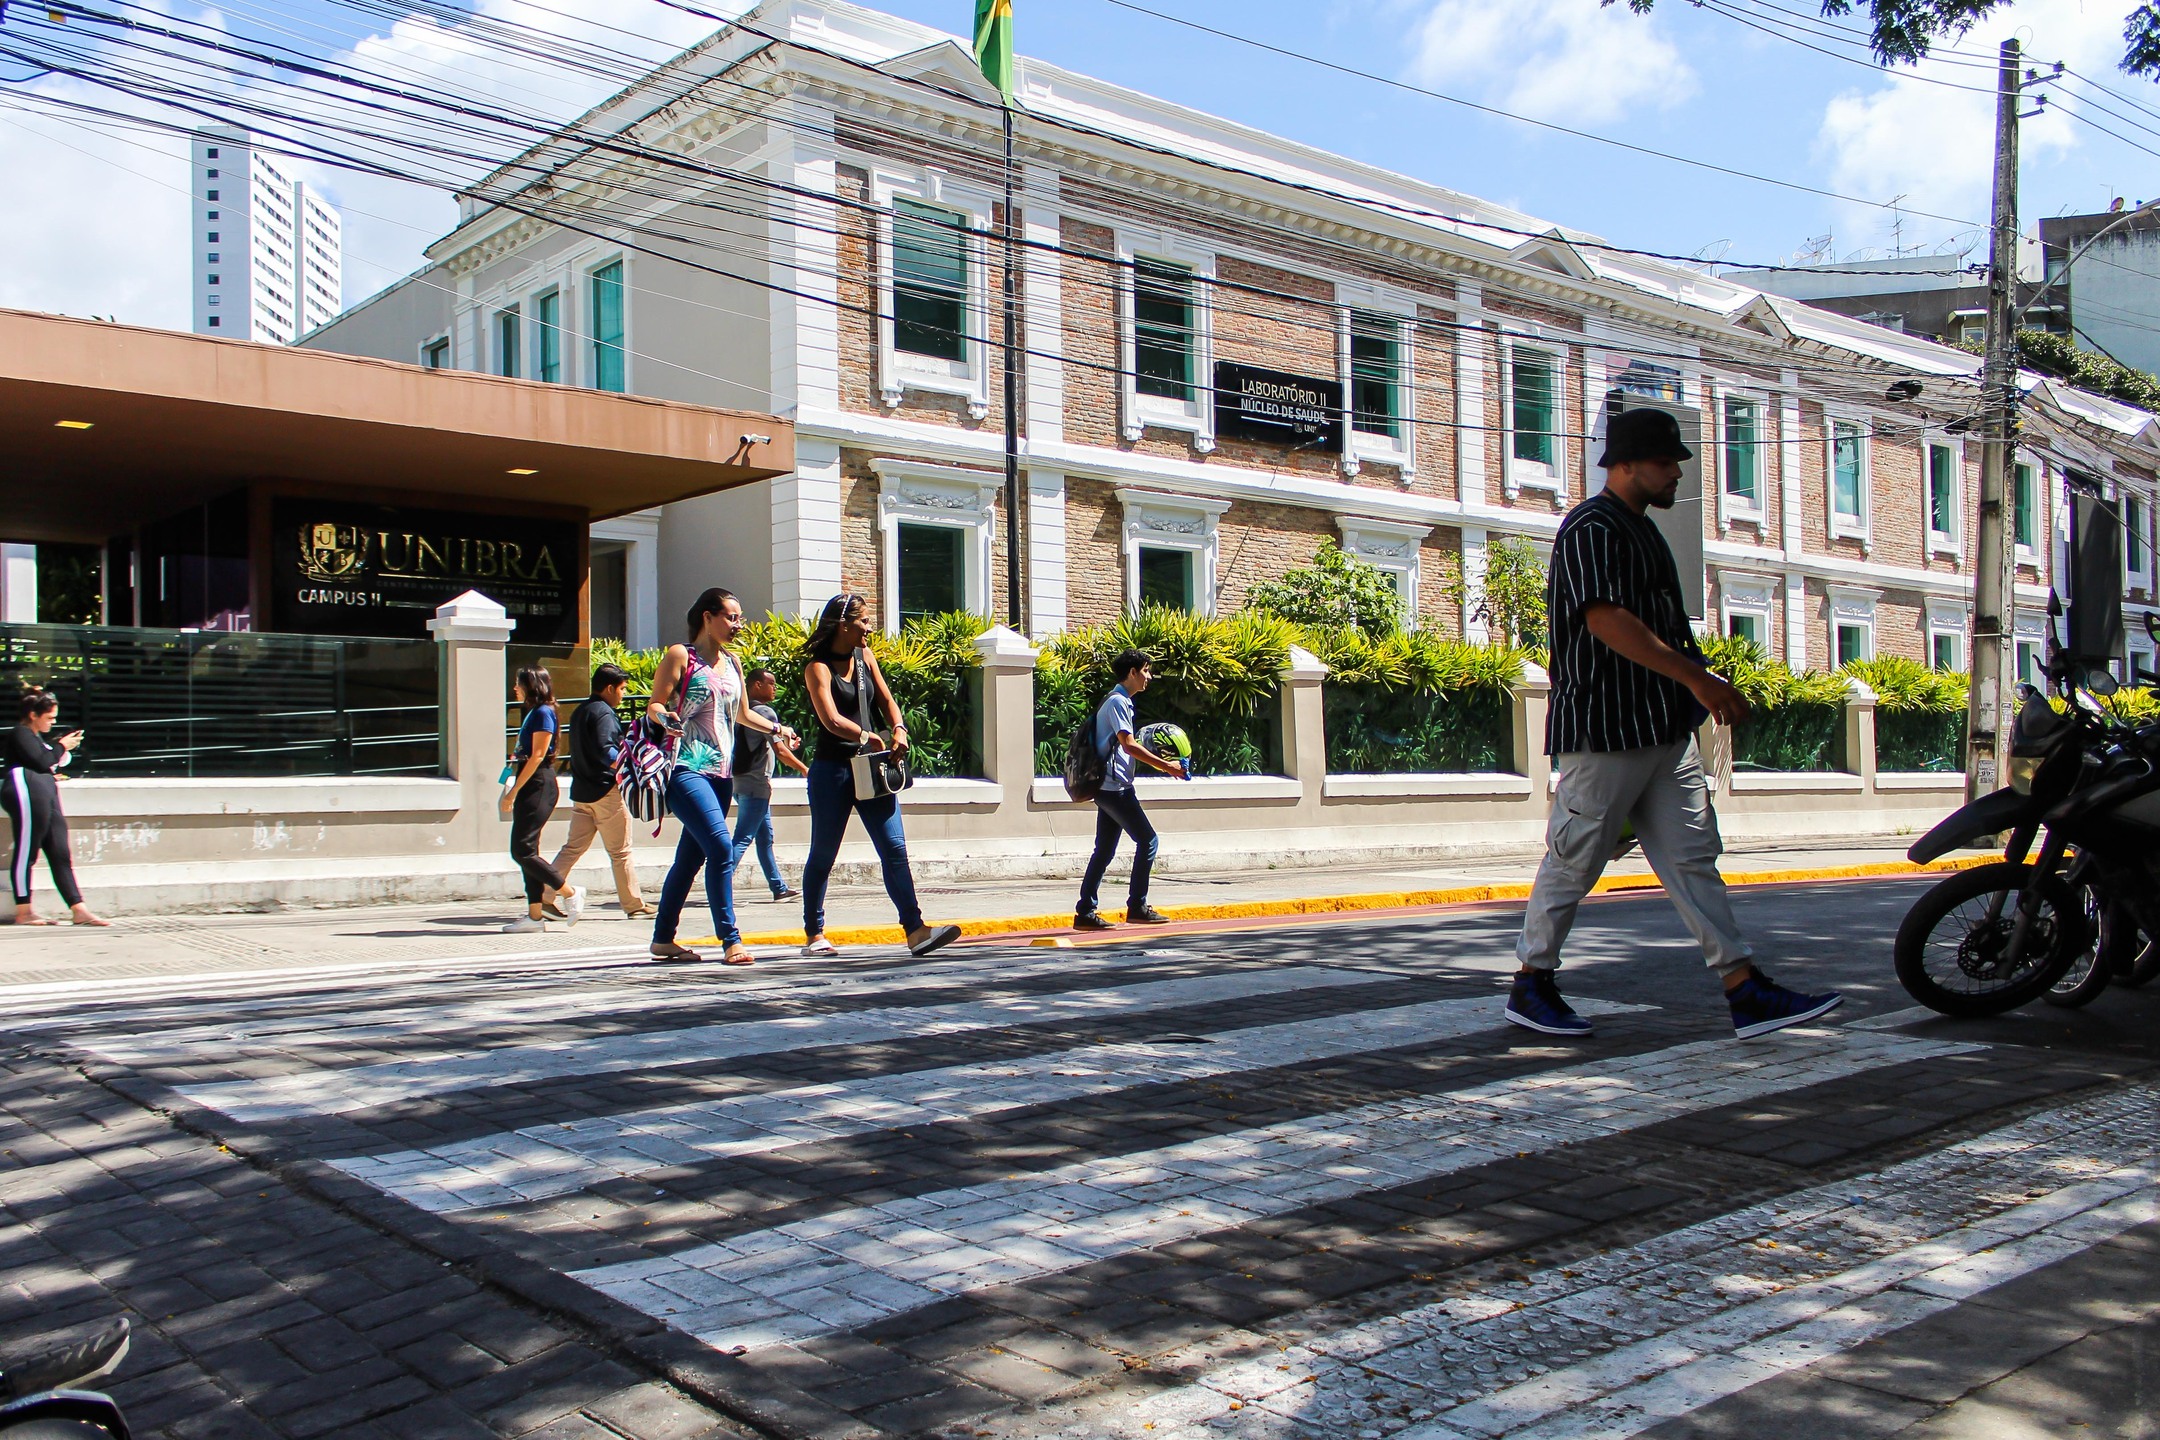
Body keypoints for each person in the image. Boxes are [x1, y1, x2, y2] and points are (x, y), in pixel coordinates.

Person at [1507, 407, 1842, 1040]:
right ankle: (1531, 981)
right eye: (1665, 462)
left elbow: (1665, 629)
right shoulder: (1591, 527)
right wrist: (1697, 678)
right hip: (1607, 727)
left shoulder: (1645, 532)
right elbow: (1604, 619)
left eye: (1677, 463)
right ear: (1626, 464)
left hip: (1663, 729)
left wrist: (1696, 687)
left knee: (1693, 859)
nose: (1675, 473)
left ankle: (1744, 988)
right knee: (1575, 857)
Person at [798, 593, 961, 959]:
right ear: (843, 624)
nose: (870, 627)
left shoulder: (865, 657)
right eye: (864, 621)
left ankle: (916, 930)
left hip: (873, 768)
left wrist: (898, 728)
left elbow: (886, 700)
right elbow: (829, 718)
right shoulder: (818, 668)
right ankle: (814, 932)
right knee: (824, 853)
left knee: (895, 848)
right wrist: (865, 736)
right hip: (832, 772)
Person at [647, 588, 796, 967]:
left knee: (689, 860)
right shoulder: (682, 655)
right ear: (707, 617)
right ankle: (731, 939)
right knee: (720, 849)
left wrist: (779, 730)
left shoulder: (733, 663)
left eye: (739, 618)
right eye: (731, 617)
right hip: (685, 768)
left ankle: (663, 938)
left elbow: (744, 714)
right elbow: (655, 705)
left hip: (721, 774)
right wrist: (667, 719)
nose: (737, 625)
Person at [1075, 650, 1187, 931]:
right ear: (1133, 673)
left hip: (1109, 786)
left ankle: (1085, 912)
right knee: (1148, 841)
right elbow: (1129, 745)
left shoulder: (1118, 701)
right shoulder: (1118, 702)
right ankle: (1137, 906)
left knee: (1104, 851)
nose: (1149, 676)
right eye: (1146, 670)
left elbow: (1126, 746)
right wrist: (1167, 767)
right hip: (1114, 788)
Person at [542, 662, 648, 920]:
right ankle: (634, 906)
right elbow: (606, 750)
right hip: (605, 791)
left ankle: (544, 896)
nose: (623, 695)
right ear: (609, 688)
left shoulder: (581, 711)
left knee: (572, 848)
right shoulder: (603, 713)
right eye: (622, 689)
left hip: (582, 791)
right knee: (620, 852)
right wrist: (631, 765)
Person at [4, 689, 104, 927]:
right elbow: (40, 760)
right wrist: (61, 746)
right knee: (27, 850)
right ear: (32, 714)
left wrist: (56, 757)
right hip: (27, 790)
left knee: (60, 852)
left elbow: (43, 761)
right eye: (49, 717)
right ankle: (24, 910)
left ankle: (78, 908)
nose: (53, 722)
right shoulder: (21, 733)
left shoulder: (36, 738)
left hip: (45, 792)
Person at [501, 666, 582, 934]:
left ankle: (570, 893)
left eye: (518, 683)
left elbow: (537, 755)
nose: (515, 688)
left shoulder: (544, 713)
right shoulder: (533, 713)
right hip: (530, 784)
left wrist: (513, 792)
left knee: (521, 850)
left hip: (539, 784)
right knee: (528, 852)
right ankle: (535, 916)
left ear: (532, 685)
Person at [729, 667, 807, 903]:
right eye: (770, 683)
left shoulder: (740, 710)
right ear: (756, 685)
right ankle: (719, 883)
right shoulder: (764, 712)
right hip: (756, 783)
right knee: (743, 838)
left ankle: (778, 887)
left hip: (739, 781)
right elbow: (780, 750)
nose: (775, 688)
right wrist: (804, 769)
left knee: (764, 838)